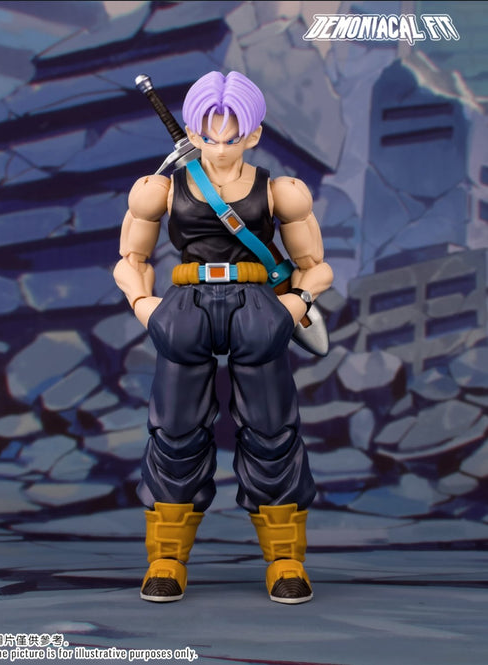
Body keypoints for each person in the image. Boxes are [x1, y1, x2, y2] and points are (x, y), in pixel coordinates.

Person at [113, 71, 333, 604]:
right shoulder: (159, 188)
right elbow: (131, 260)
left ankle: (286, 561)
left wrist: (293, 305)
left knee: (273, 429)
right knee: (175, 431)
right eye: (208, 136)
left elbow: (316, 267)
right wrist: (147, 308)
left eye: (231, 136)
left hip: (257, 306)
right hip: (186, 306)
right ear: (191, 132)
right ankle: (166, 559)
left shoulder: (281, 191)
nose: (218, 147)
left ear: (253, 135)